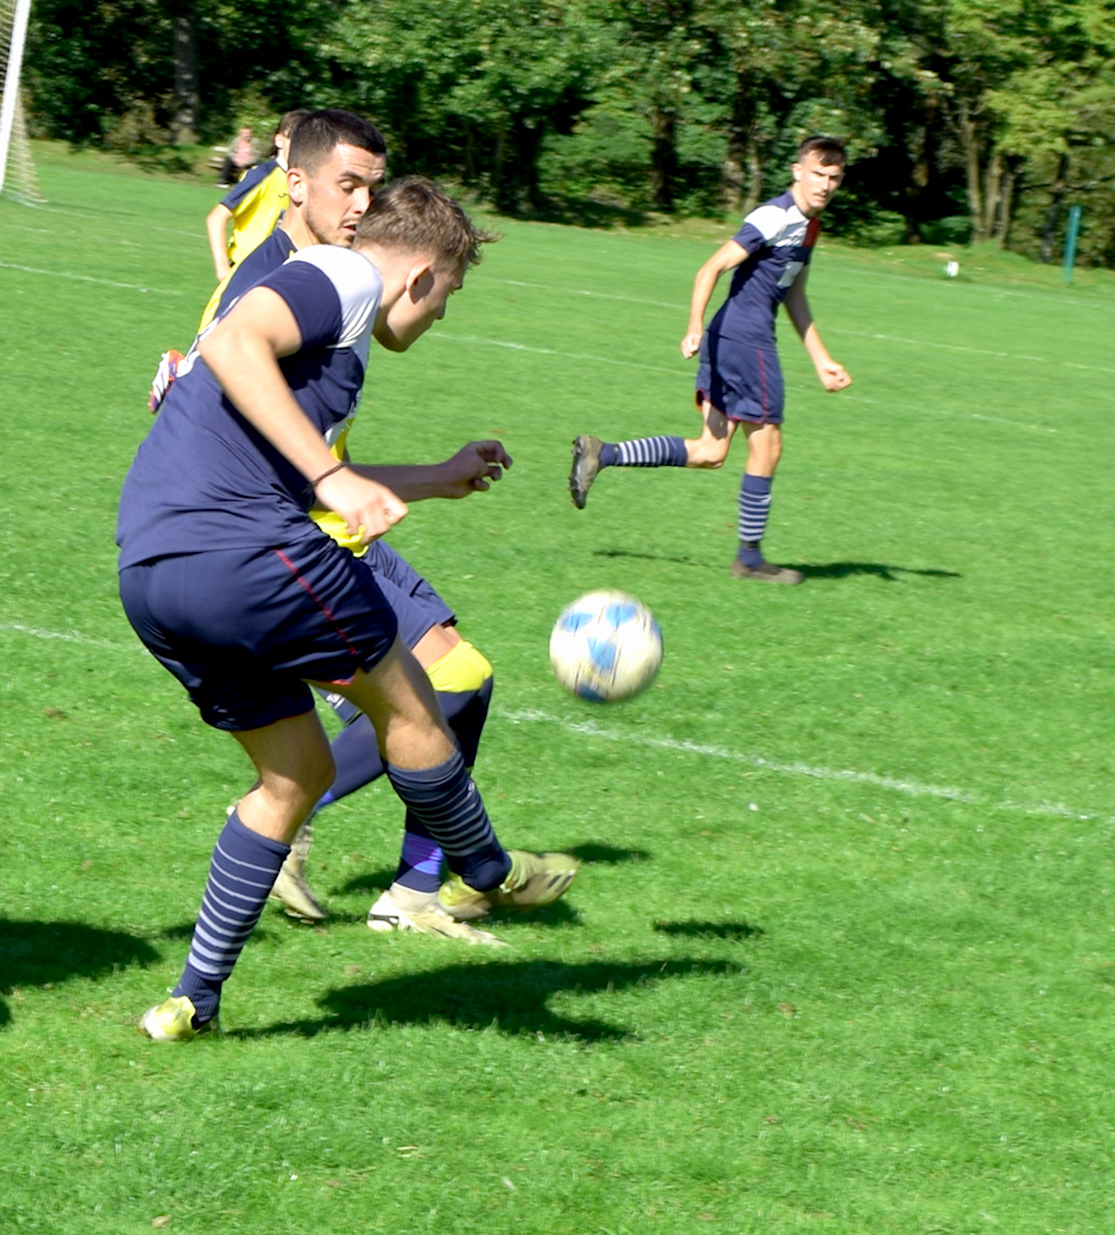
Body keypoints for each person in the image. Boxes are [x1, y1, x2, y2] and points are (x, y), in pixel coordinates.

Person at [117, 178, 581, 1040]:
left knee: (295, 773)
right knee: (418, 701)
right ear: (421, 275)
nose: (443, 314)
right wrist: (334, 478)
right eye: (450, 293)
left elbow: (277, 458)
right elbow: (232, 340)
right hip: (249, 553)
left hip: (153, 570)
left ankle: (192, 1000)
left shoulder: (335, 325)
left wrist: (428, 478)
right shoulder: (348, 276)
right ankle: (490, 868)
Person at [160, 111, 504, 944]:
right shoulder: (317, 279)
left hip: (289, 520)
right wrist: (326, 475)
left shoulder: (309, 274)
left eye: (369, 190)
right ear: (297, 177)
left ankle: (413, 879)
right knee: (449, 681)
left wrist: (431, 477)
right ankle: (404, 863)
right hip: (286, 533)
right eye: (348, 185)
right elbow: (243, 365)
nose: (360, 204)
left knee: (460, 681)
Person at [569, 136, 854, 583]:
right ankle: (750, 560)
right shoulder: (775, 217)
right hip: (746, 340)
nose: (825, 184)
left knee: (711, 451)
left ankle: (603, 454)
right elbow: (711, 268)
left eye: (834, 178)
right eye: (818, 173)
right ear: (798, 170)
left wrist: (821, 359)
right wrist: (692, 326)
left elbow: (793, 291)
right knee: (768, 446)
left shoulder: (809, 226)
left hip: (735, 338)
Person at [204, 111, 306, 281]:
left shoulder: (302, 182)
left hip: (277, 276)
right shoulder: (262, 176)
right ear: (279, 140)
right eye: (294, 139)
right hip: (246, 273)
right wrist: (223, 269)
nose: (300, 147)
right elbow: (216, 217)